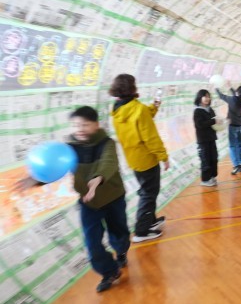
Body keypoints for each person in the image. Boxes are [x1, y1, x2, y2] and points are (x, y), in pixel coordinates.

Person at [14, 106, 130, 292]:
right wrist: (36, 179)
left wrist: (97, 180)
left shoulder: (107, 143)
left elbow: (108, 163)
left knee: (119, 232)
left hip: (113, 197)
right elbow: (56, 166)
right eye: (76, 125)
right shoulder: (69, 148)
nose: (80, 129)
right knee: (92, 243)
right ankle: (110, 271)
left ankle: (121, 250)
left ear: (96, 125)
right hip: (88, 202)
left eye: (85, 124)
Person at [110, 74, 168, 243]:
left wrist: (155, 106)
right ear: (132, 88)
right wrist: (163, 156)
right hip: (147, 159)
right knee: (149, 194)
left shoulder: (117, 109)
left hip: (133, 159)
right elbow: (150, 137)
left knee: (146, 191)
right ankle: (141, 231)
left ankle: (150, 220)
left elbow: (144, 116)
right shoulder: (138, 109)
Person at [216, 84, 241, 175]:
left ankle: (236, 165)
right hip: (240, 126)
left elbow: (221, 96)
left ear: (238, 92)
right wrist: (230, 87)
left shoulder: (232, 99)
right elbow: (236, 94)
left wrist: (216, 88)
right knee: (240, 145)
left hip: (233, 126)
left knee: (232, 146)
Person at [193, 89, 220, 187]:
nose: (207, 98)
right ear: (200, 98)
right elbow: (200, 124)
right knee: (205, 160)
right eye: (205, 96)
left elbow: (215, 121)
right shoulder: (197, 111)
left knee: (214, 158)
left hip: (211, 138)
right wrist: (213, 121)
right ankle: (205, 180)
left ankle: (212, 176)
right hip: (203, 140)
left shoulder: (210, 109)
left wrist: (220, 123)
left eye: (208, 96)